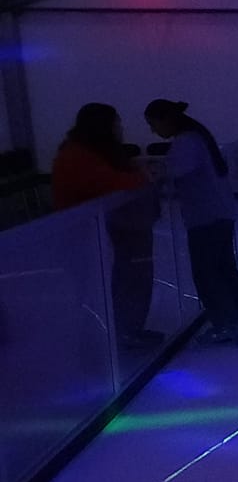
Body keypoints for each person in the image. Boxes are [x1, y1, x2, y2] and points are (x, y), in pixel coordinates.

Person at [142, 100, 238, 346]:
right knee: (223, 270)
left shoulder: (186, 143)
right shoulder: (198, 138)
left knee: (207, 273)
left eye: (153, 124)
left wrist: (151, 172)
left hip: (206, 217)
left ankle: (225, 324)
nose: (153, 131)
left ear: (164, 120)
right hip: (219, 213)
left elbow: (171, 172)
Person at [52, 103, 161, 347]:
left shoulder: (86, 153)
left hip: (109, 236)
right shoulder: (77, 157)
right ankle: (110, 338)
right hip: (88, 238)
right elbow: (115, 182)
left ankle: (126, 332)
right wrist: (142, 175)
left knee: (125, 283)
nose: (121, 128)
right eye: (116, 123)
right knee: (105, 289)